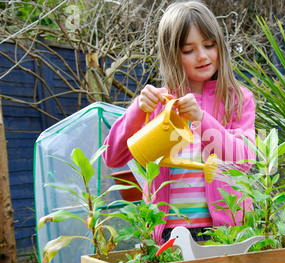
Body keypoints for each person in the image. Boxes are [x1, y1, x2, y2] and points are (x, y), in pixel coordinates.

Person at [102, 0, 256, 244]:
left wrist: (202, 120)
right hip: (168, 233)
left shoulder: (237, 98)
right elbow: (113, 157)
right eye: (188, 50)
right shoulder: (159, 103)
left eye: (209, 45)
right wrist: (137, 110)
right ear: (172, 54)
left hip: (227, 232)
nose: (202, 56)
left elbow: (244, 160)